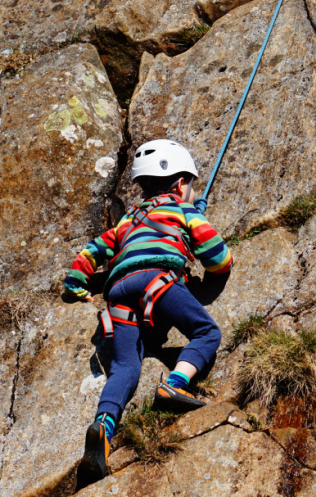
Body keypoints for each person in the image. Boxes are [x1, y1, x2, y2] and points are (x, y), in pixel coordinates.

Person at [63, 139, 234, 488]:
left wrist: (77, 286)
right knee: (206, 333)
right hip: (159, 281)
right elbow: (219, 258)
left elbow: (89, 255)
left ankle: (105, 427)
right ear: (181, 183)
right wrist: (209, 262)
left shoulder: (127, 221)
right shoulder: (185, 212)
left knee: (125, 366)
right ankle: (174, 385)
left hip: (118, 292)